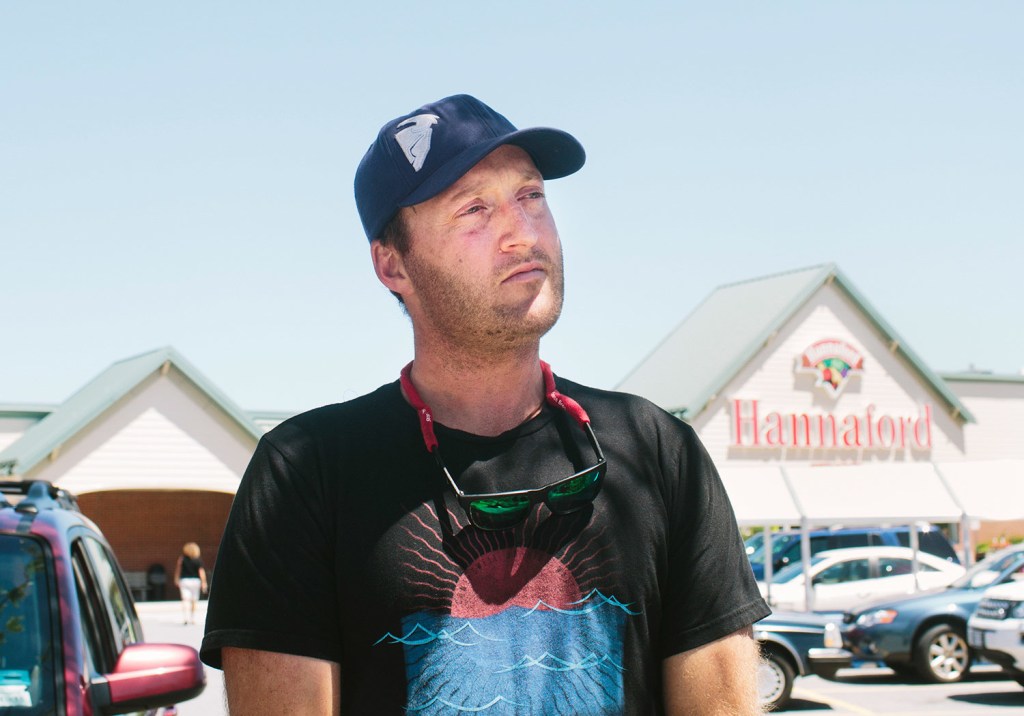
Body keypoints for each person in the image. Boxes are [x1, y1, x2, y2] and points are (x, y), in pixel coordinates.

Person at [201, 94, 770, 714]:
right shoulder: (304, 473)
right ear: (392, 265)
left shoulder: (659, 452)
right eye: (474, 209)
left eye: (532, 197)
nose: (522, 233)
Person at [174, 542, 207, 625]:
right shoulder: (198, 560)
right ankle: (192, 618)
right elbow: (201, 572)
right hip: (195, 581)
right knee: (194, 600)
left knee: (185, 600)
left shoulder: (182, 559)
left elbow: (178, 569)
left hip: (185, 581)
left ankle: (186, 618)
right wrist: (204, 582)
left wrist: (176, 579)